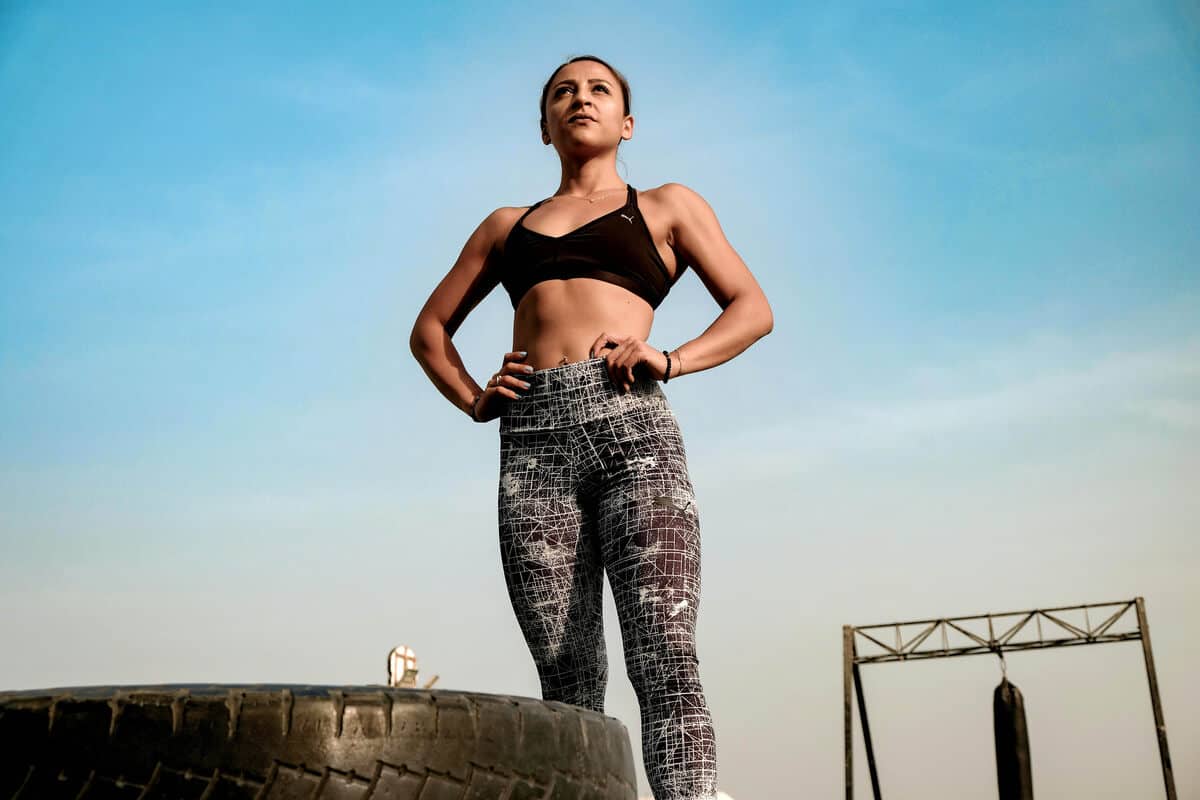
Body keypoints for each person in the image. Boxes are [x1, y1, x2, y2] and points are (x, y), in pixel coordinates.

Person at [410, 54, 772, 800]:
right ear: (544, 126)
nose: (580, 99)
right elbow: (430, 329)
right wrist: (477, 398)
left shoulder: (668, 206)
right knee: (566, 677)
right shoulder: (506, 227)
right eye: (562, 93)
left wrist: (671, 358)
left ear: (626, 122)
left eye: (598, 90)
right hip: (532, 444)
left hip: (632, 429)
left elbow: (751, 309)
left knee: (664, 650)